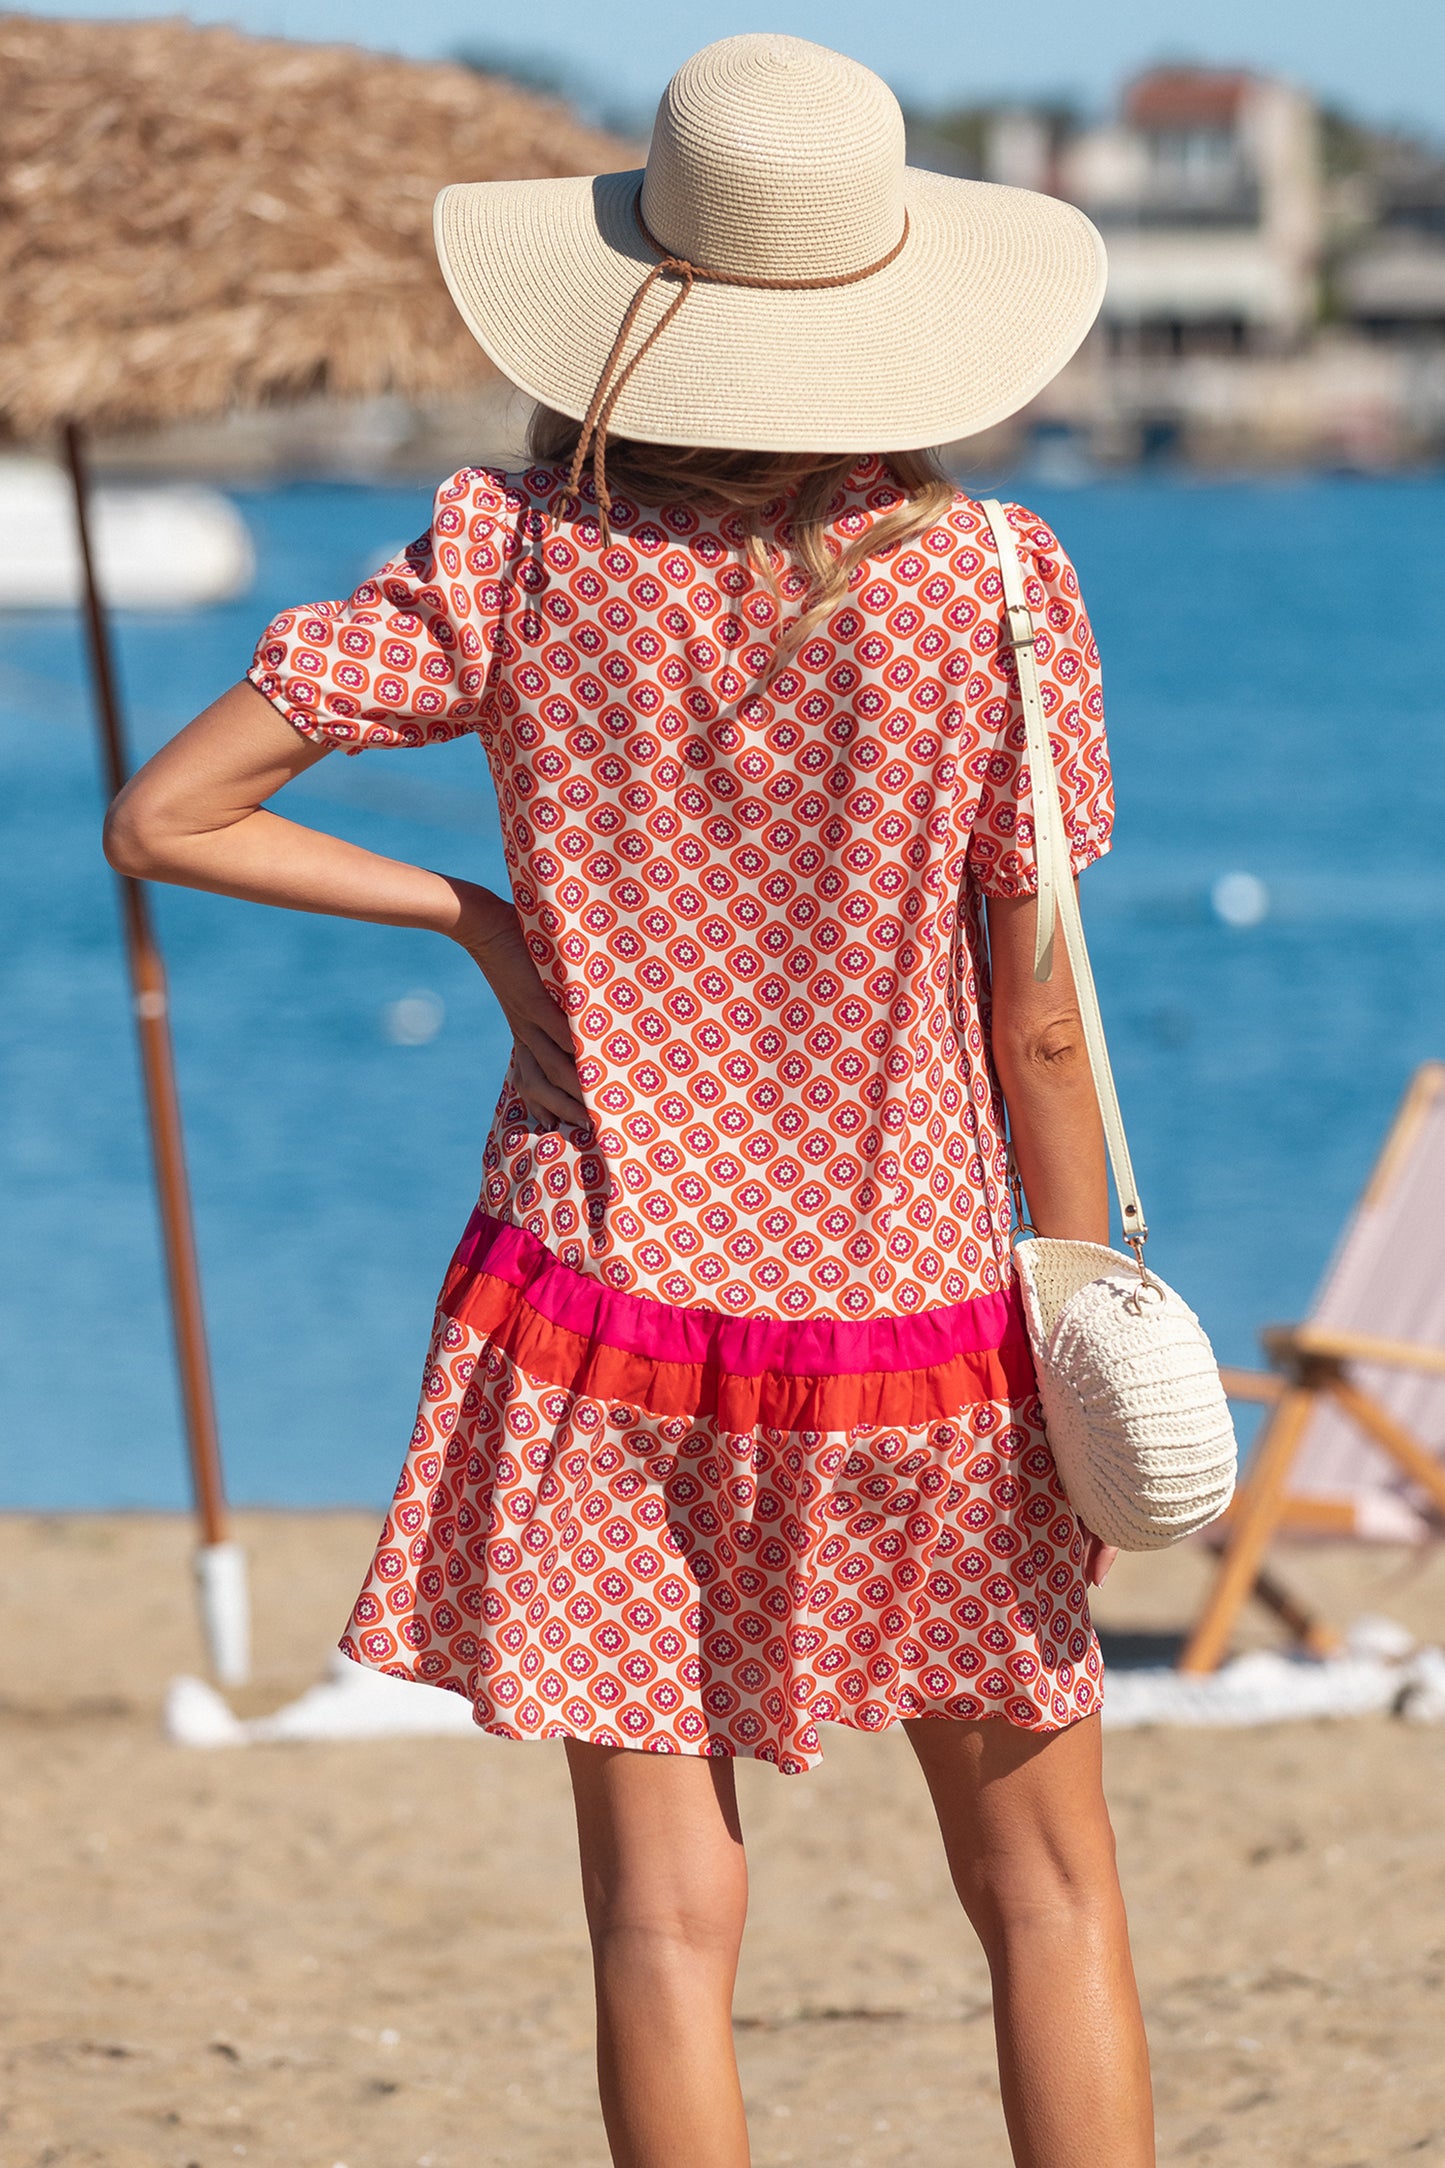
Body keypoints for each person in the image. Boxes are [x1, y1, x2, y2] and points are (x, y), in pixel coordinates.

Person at [105, 34, 1154, 2167]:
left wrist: (480, 922)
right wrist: (1081, 1310)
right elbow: (1040, 1018)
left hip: (602, 1311)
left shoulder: (508, 553)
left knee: (663, 1928)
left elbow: (168, 813)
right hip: (926, 1334)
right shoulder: (989, 583)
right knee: (1045, 1891)